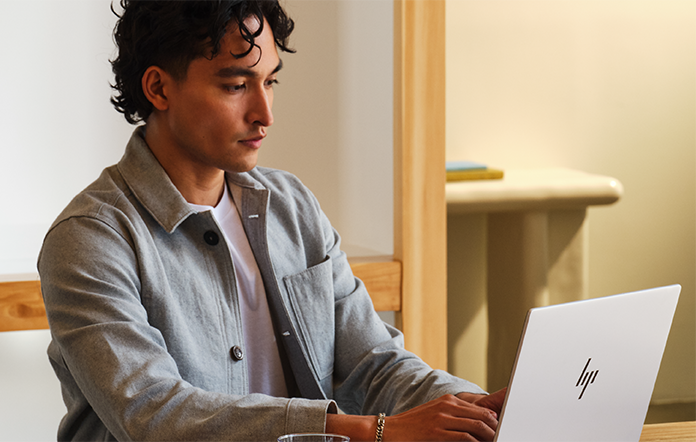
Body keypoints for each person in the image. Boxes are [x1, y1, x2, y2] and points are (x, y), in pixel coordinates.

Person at [38, 1, 506, 441]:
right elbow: (156, 414)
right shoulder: (89, 238)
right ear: (159, 88)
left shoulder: (292, 205)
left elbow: (373, 363)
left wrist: (475, 409)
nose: (264, 114)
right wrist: (374, 432)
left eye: (270, 82)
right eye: (236, 86)